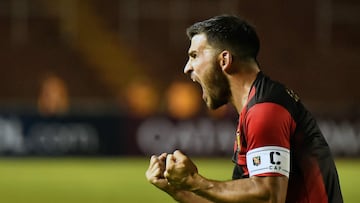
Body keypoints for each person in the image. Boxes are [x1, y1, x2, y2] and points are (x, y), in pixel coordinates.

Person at [145, 15, 343, 203]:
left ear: (224, 61)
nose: (187, 67)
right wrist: (177, 189)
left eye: (194, 55)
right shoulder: (254, 108)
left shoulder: (265, 110)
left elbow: (269, 196)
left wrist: (195, 182)